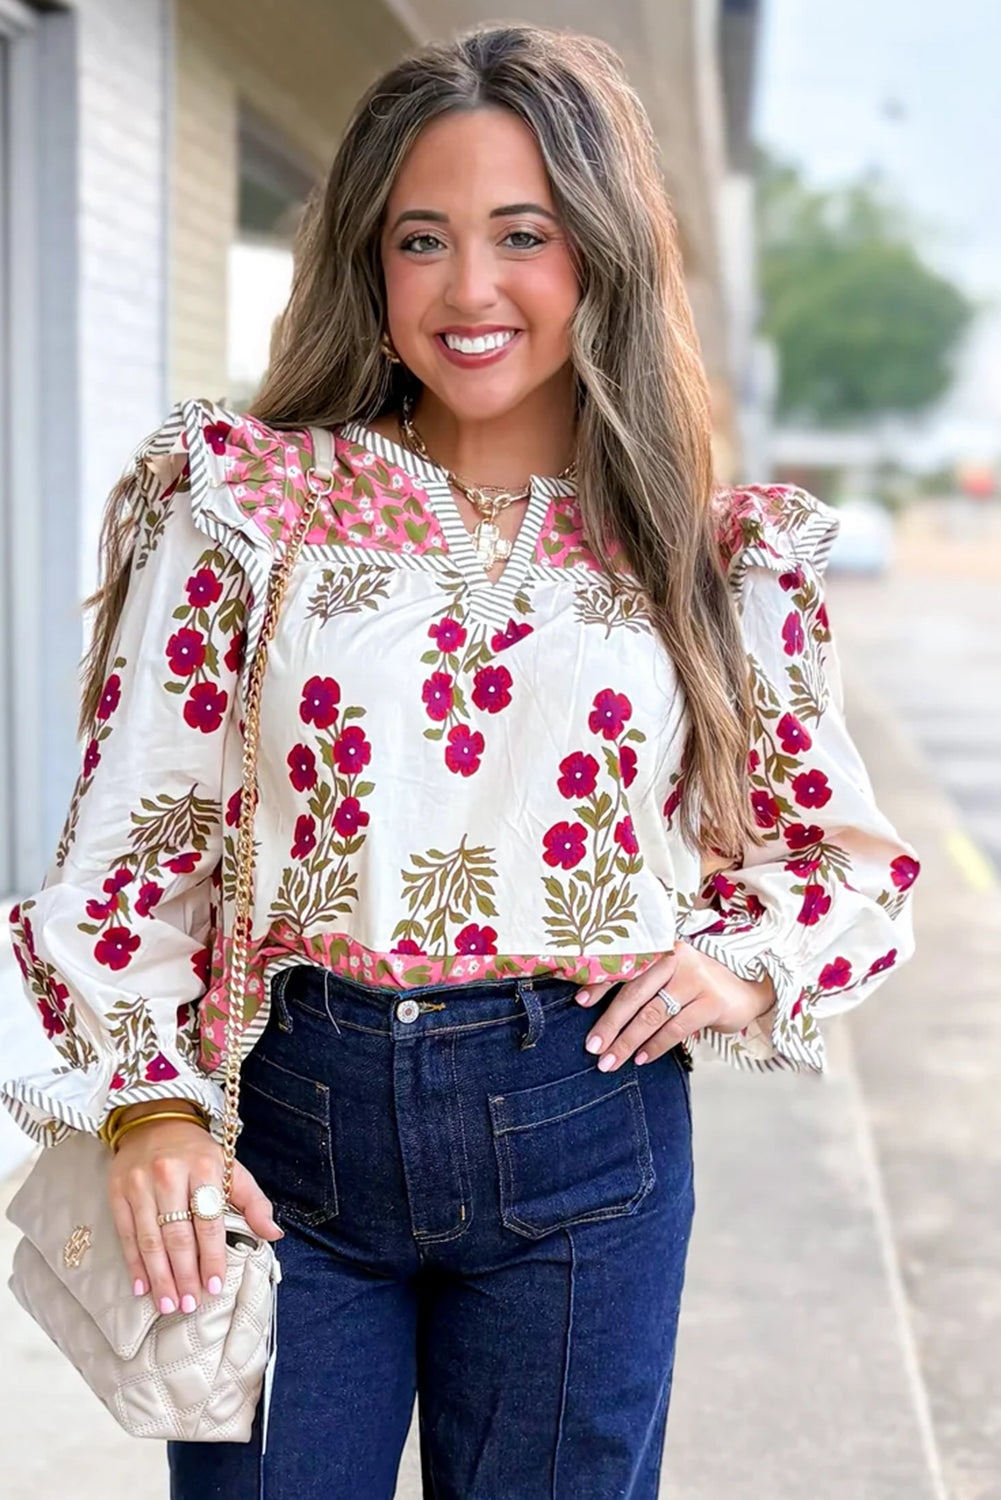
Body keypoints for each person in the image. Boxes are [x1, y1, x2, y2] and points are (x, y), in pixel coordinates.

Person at [2, 22, 921, 1500]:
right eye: (420, 238)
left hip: (587, 1125)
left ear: (601, 255)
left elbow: (839, 865)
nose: (469, 287)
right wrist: (150, 1110)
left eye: (522, 234)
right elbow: (132, 851)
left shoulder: (708, 551)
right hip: (284, 1135)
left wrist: (745, 962)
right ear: (370, 263)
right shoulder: (246, 504)